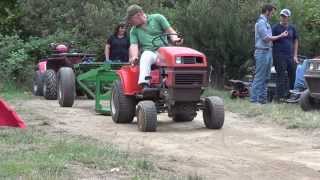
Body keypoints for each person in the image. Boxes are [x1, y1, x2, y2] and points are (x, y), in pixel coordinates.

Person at [125, 4, 182, 89]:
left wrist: (175, 39)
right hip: (150, 52)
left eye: (131, 19)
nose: (130, 22)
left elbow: (170, 31)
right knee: (145, 56)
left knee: (178, 58)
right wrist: (134, 57)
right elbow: (134, 45)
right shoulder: (134, 31)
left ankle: (180, 82)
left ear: (138, 15)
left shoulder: (157, 18)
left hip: (164, 51)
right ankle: (145, 84)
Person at [250, 4, 289, 104]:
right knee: (259, 77)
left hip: (268, 52)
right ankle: (254, 101)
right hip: (261, 52)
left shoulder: (266, 23)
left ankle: (262, 100)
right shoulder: (261, 23)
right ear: (267, 11)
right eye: (272, 12)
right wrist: (280, 35)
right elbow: (266, 38)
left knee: (267, 77)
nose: (272, 14)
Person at [272, 9, 299, 101]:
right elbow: (270, 40)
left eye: (285, 16)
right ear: (280, 16)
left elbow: (296, 41)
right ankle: (278, 98)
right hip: (279, 55)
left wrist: (295, 55)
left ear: (288, 18)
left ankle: (290, 96)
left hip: (290, 56)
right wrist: (281, 35)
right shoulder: (275, 28)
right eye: (282, 16)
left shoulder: (292, 28)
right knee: (280, 75)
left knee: (292, 75)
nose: (283, 18)